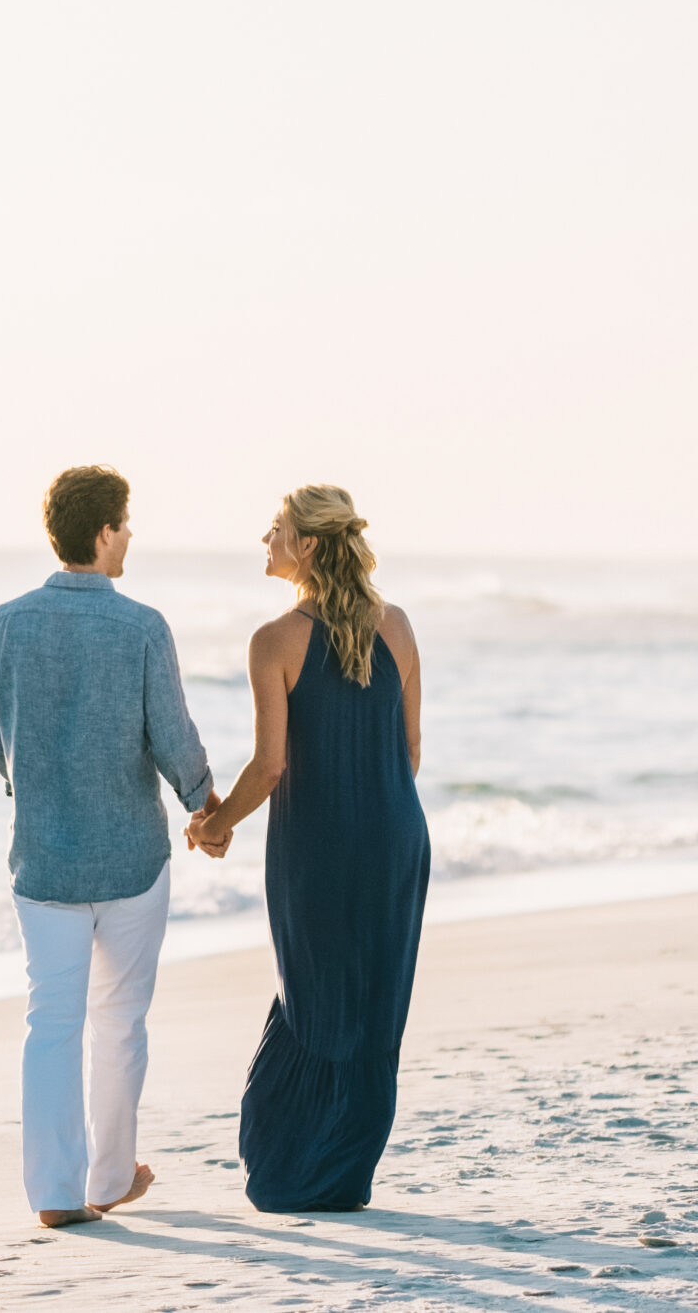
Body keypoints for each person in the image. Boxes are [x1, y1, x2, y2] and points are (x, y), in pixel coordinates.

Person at [0, 465, 221, 1229]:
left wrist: (38, 795)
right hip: (130, 858)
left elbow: (0, 741)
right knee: (120, 1019)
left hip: (43, 857)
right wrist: (205, 805)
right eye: (127, 521)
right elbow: (172, 736)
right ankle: (110, 1176)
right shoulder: (141, 625)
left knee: (51, 1019)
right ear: (105, 531)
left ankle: (55, 1190)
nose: (131, 535)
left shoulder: (5, 622)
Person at [185, 485, 429, 1213]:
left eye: (278, 528)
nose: (265, 537)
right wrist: (370, 801)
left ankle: (293, 1172)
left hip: (317, 847)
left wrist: (213, 825)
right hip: (394, 837)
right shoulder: (401, 626)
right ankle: (344, 1177)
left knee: (314, 999)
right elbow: (410, 751)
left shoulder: (275, 639)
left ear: (310, 545)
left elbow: (269, 766)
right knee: (373, 1008)